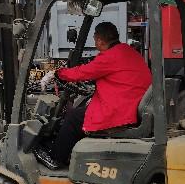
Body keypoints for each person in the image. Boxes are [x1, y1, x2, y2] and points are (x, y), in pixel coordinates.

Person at [35, 21, 152, 170]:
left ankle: (55, 158)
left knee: (73, 117)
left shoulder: (109, 57)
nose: (95, 43)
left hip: (122, 111)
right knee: (83, 109)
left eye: (95, 40)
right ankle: (65, 148)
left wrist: (57, 73)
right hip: (130, 102)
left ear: (100, 41)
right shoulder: (129, 52)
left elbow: (83, 72)